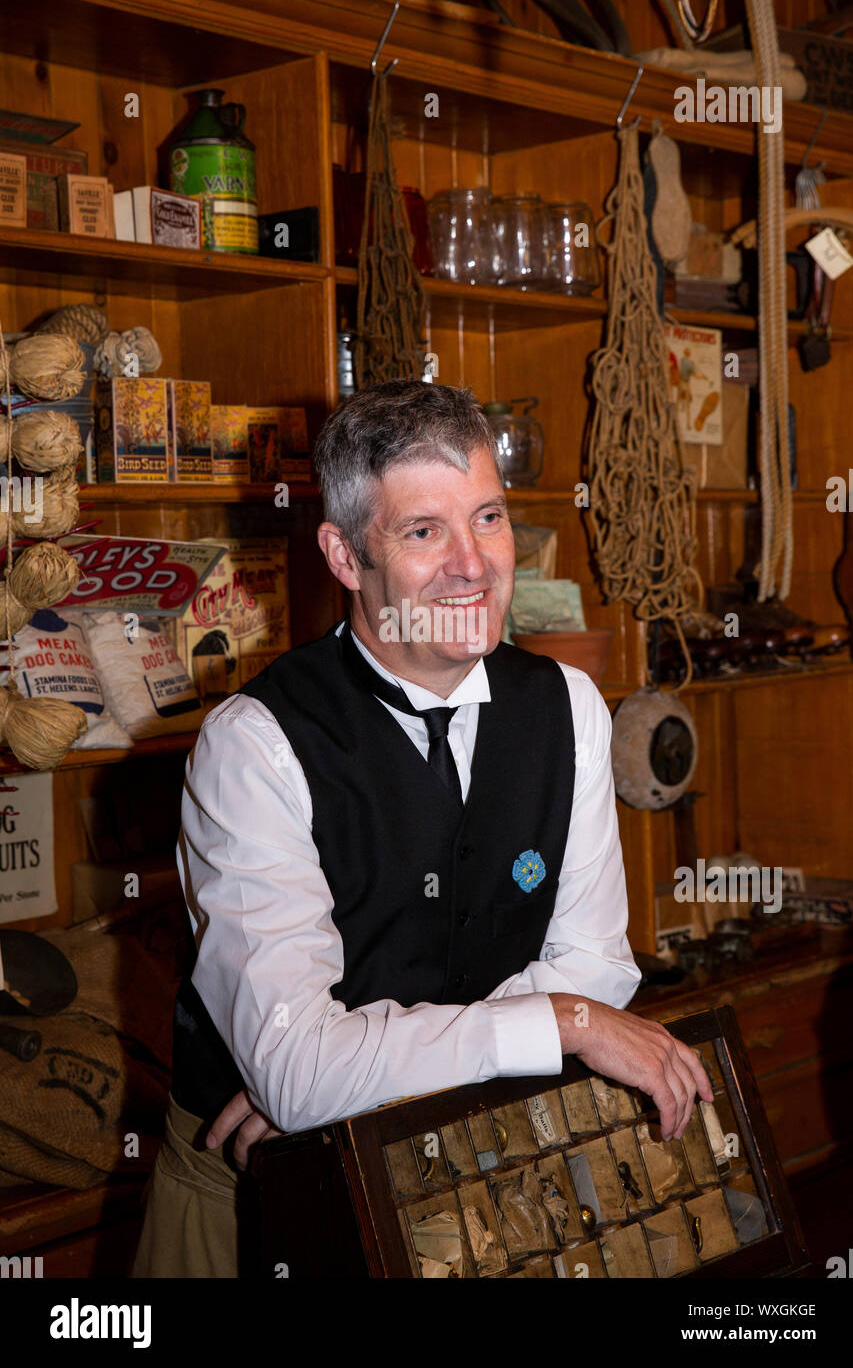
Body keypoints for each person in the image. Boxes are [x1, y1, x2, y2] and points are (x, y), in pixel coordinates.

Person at [131, 379, 711, 1278]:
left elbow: (596, 964)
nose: (474, 564)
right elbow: (301, 1073)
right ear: (344, 553)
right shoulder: (253, 747)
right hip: (257, 1196)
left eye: (488, 517)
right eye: (422, 531)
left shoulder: (568, 707)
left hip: (481, 1160)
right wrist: (562, 1021)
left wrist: (352, 1077)